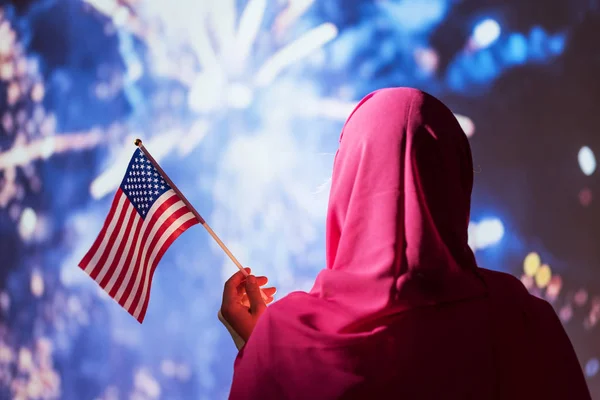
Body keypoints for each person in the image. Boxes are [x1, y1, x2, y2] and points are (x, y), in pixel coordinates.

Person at [219, 88, 591, 399]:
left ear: (347, 185)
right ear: (455, 185)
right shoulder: (523, 322)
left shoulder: (283, 343)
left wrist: (262, 352)